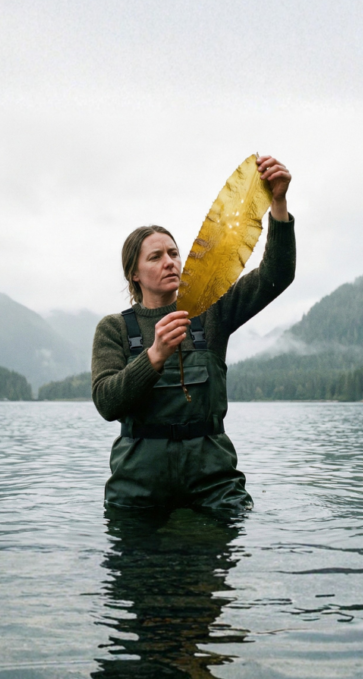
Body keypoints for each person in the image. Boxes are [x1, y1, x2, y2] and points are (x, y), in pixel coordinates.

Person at [91, 155, 294, 510]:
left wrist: (277, 203)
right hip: (138, 490)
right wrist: (153, 356)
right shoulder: (114, 328)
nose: (170, 261)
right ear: (134, 275)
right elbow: (107, 403)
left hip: (214, 486)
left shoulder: (213, 310)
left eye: (174, 253)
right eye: (155, 257)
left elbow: (277, 274)